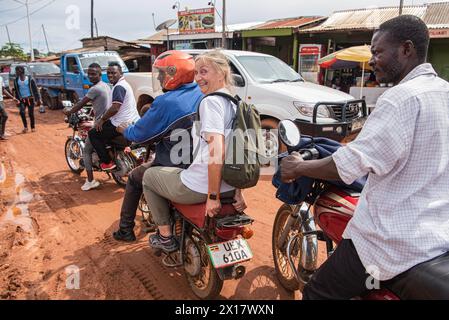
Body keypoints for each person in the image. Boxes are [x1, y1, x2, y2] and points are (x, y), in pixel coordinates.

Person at [281, 15, 449, 300]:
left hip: (392, 241)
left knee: (315, 293)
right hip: (438, 236)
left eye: (377, 51)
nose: (371, 60)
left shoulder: (401, 98)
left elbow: (349, 164)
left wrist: (299, 166)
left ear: (406, 49)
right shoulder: (444, 91)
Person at [141, 50, 247, 252]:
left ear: (221, 73)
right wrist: (238, 192)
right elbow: (239, 150)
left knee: (149, 177)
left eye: (204, 72)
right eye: (196, 72)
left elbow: (217, 151)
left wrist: (213, 196)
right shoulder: (235, 103)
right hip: (230, 187)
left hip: (200, 186)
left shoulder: (211, 102)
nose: (198, 78)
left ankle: (165, 236)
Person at [112, 50, 204, 242]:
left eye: (162, 74)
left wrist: (125, 131)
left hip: (176, 165)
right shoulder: (202, 92)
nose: (160, 78)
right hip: (201, 162)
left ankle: (127, 230)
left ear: (174, 74)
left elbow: (140, 133)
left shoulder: (166, 102)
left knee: (137, 177)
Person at [63, 63, 111, 191]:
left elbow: (80, 104)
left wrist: (69, 111)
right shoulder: (106, 85)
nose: (90, 76)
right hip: (109, 120)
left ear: (100, 74)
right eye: (89, 73)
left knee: (86, 151)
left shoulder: (94, 89)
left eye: (94, 74)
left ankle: (90, 181)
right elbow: (100, 104)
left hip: (101, 123)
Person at [88, 62, 140, 171]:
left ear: (121, 73)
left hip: (120, 123)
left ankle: (107, 162)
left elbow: (115, 107)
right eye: (108, 73)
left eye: (114, 73)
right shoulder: (123, 84)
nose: (110, 75)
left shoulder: (119, 87)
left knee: (93, 133)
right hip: (132, 120)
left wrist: (102, 119)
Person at [13, 66, 42, 133]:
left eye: (17, 70)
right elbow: (16, 90)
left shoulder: (30, 79)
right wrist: (16, 99)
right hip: (21, 99)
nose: (16, 72)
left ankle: (32, 127)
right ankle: (25, 127)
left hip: (30, 99)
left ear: (22, 71)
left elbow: (35, 89)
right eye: (16, 70)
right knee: (22, 112)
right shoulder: (16, 80)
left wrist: (39, 99)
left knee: (30, 113)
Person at [0, 75, 19, 140]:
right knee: (5, 116)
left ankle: (1, 133)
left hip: (1, 100)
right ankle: (1, 134)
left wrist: (12, 97)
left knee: (1, 117)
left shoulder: (1, 78)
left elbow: (3, 90)